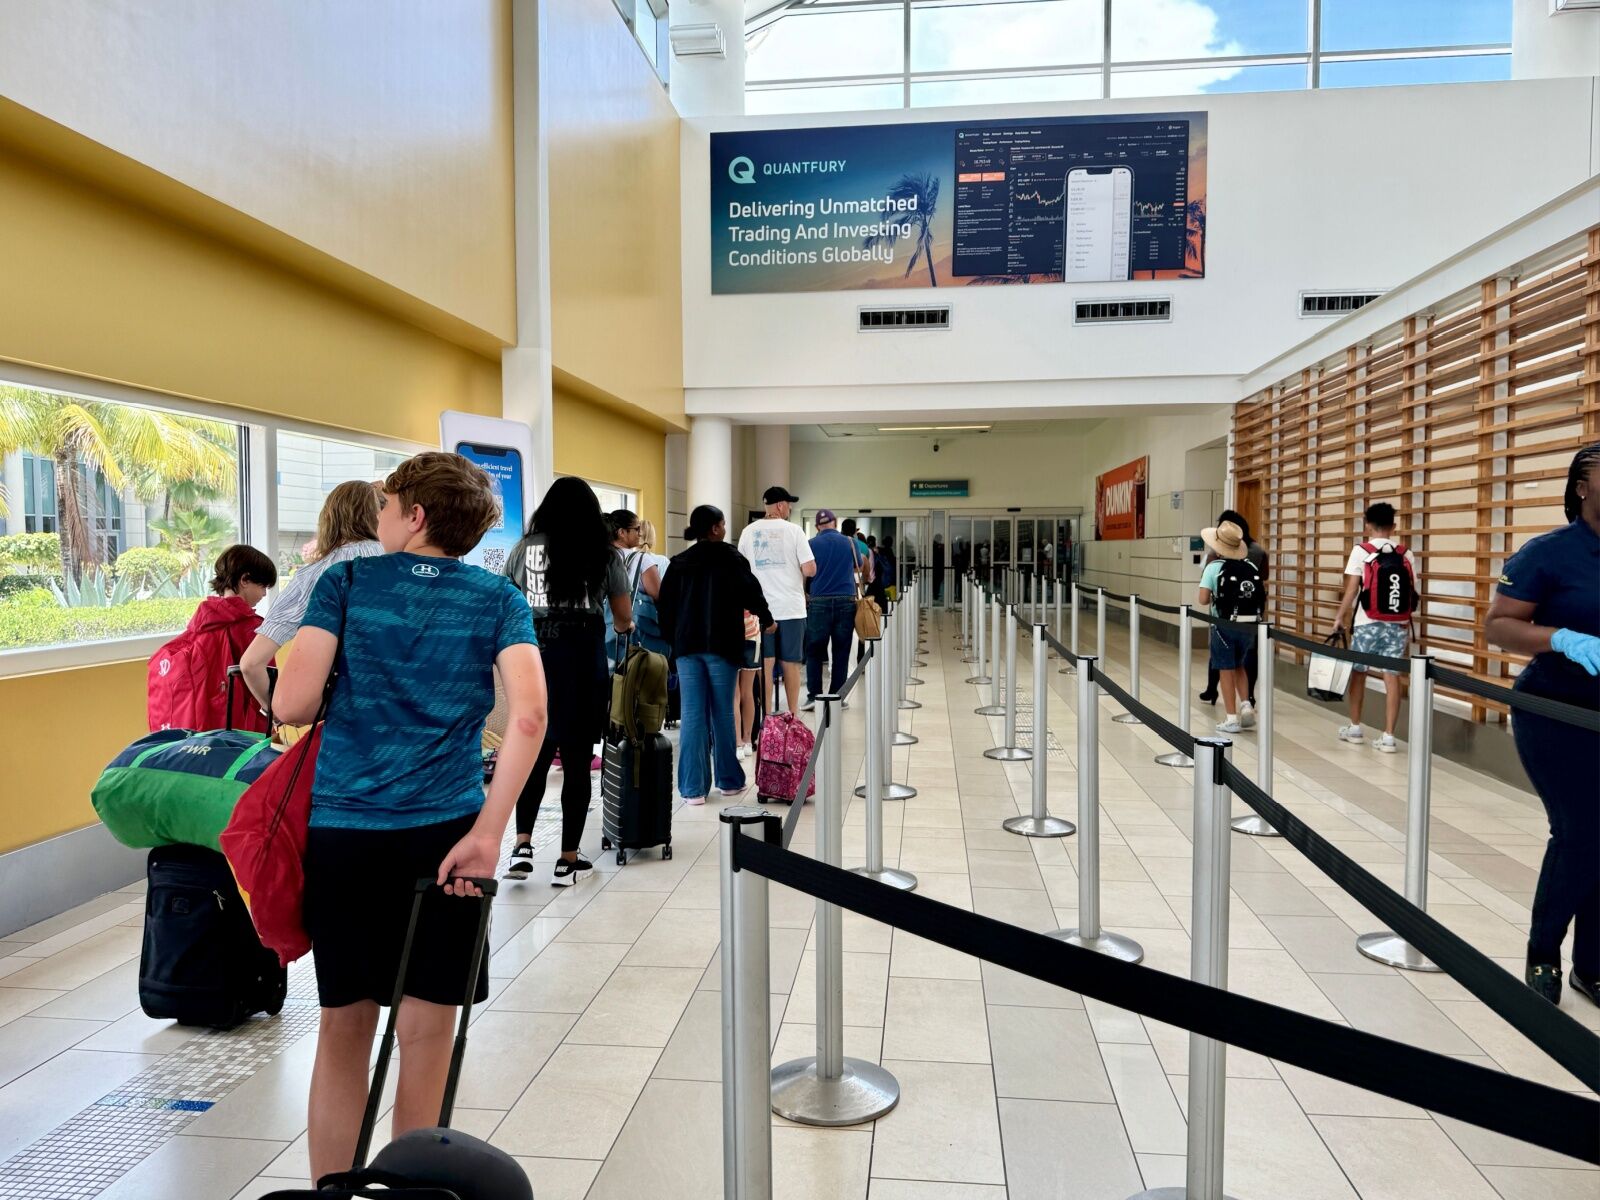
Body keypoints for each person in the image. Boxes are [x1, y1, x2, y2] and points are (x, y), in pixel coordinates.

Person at [271, 452, 546, 1183]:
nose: (383, 515)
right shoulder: (497, 599)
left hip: (349, 834)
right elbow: (529, 716)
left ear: (415, 515)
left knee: (344, 1028)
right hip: (450, 836)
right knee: (427, 1034)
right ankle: (407, 1191)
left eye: (388, 504)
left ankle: (333, 1191)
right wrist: (490, 832)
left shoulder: (347, 581)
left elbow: (290, 706)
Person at [1486, 443, 1600, 1008]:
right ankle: (1542, 954)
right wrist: (1559, 638)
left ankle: (1593, 966)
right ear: (1583, 486)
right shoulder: (1548, 554)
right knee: (1580, 831)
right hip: (1554, 713)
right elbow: (1499, 628)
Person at [504, 478, 633, 884]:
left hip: (534, 655)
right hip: (582, 657)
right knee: (577, 760)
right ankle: (567, 858)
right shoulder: (604, 554)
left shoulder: (525, 548)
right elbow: (624, 617)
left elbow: (508, 599)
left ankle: (522, 846)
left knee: (534, 755)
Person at [658, 505, 772, 805]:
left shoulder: (678, 563)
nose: (724, 528)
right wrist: (767, 618)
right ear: (715, 529)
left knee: (693, 714)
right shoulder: (731, 558)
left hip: (686, 648)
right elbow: (752, 592)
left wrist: (674, 643)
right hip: (722, 646)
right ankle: (729, 780)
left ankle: (692, 788)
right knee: (722, 710)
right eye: (722, 523)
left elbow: (665, 608)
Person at [239, 481, 384, 713]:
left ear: (329, 518)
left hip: (346, 715)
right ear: (379, 514)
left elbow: (250, 664)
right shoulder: (405, 565)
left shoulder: (314, 575)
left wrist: (273, 711)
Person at [147, 544, 278, 733]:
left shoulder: (201, 623)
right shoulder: (251, 627)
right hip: (241, 736)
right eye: (262, 586)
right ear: (244, 580)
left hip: (201, 734)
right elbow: (267, 683)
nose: (264, 594)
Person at [1333, 502, 1419, 752]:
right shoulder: (1406, 554)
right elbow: (1413, 592)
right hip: (1398, 623)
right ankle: (1389, 735)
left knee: (1359, 672)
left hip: (1367, 621)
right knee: (1392, 676)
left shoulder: (1361, 551)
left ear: (1367, 524)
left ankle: (1356, 727)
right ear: (1393, 526)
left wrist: (1340, 616)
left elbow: (1352, 590)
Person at [737, 486, 815, 716]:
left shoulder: (748, 532)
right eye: (789, 504)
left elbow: (741, 570)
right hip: (791, 609)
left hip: (760, 611)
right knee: (791, 663)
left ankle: (767, 715)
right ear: (781, 505)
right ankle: (792, 714)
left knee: (765, 665)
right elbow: (810, 569)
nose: (790, 508)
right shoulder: (794, 531)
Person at [1197, 520, 1263, 734]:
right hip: (1248, 626)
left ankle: (1232, 718)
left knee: (1225, 669)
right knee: (1239, 665)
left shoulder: (1213, 568)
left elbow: (1203, 599)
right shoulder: (1251, 566)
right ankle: (1246, 704)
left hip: (1223, 625)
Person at [805, 508, 865, 707]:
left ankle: (814, 695)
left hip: (819, 600)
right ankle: (837, 697)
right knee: (841, 650)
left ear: (817, 527)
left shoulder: (811, 544)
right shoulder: (850, 542)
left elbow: (806, 571)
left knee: (814, 650)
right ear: (835, 523)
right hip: (845, 601)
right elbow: (858, 567)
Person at [622, 517, 671, 656]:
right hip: (654, 624)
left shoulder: (627, 560)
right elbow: (665, 596)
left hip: (631, 620)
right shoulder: (662, 561)